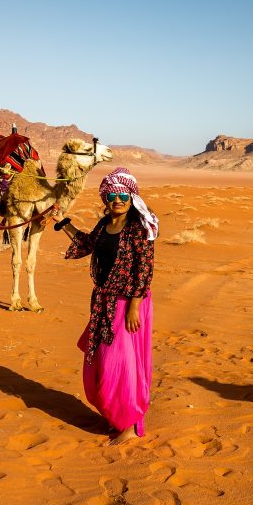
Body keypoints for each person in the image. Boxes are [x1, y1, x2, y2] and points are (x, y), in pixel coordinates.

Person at [51, 167, 159, 444]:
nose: (118, 199)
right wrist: (63, 222)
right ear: (105, 197)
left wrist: (134, 306)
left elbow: (144, 270)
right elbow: (87, 243)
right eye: (112, 194)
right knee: (98, 364)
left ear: (132, 196)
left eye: (123, 194)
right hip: (103, 303)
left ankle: (130, 425)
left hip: (127, 304)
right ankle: (116, 416)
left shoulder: (138, 228)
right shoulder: (103, 226)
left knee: (120, 365)